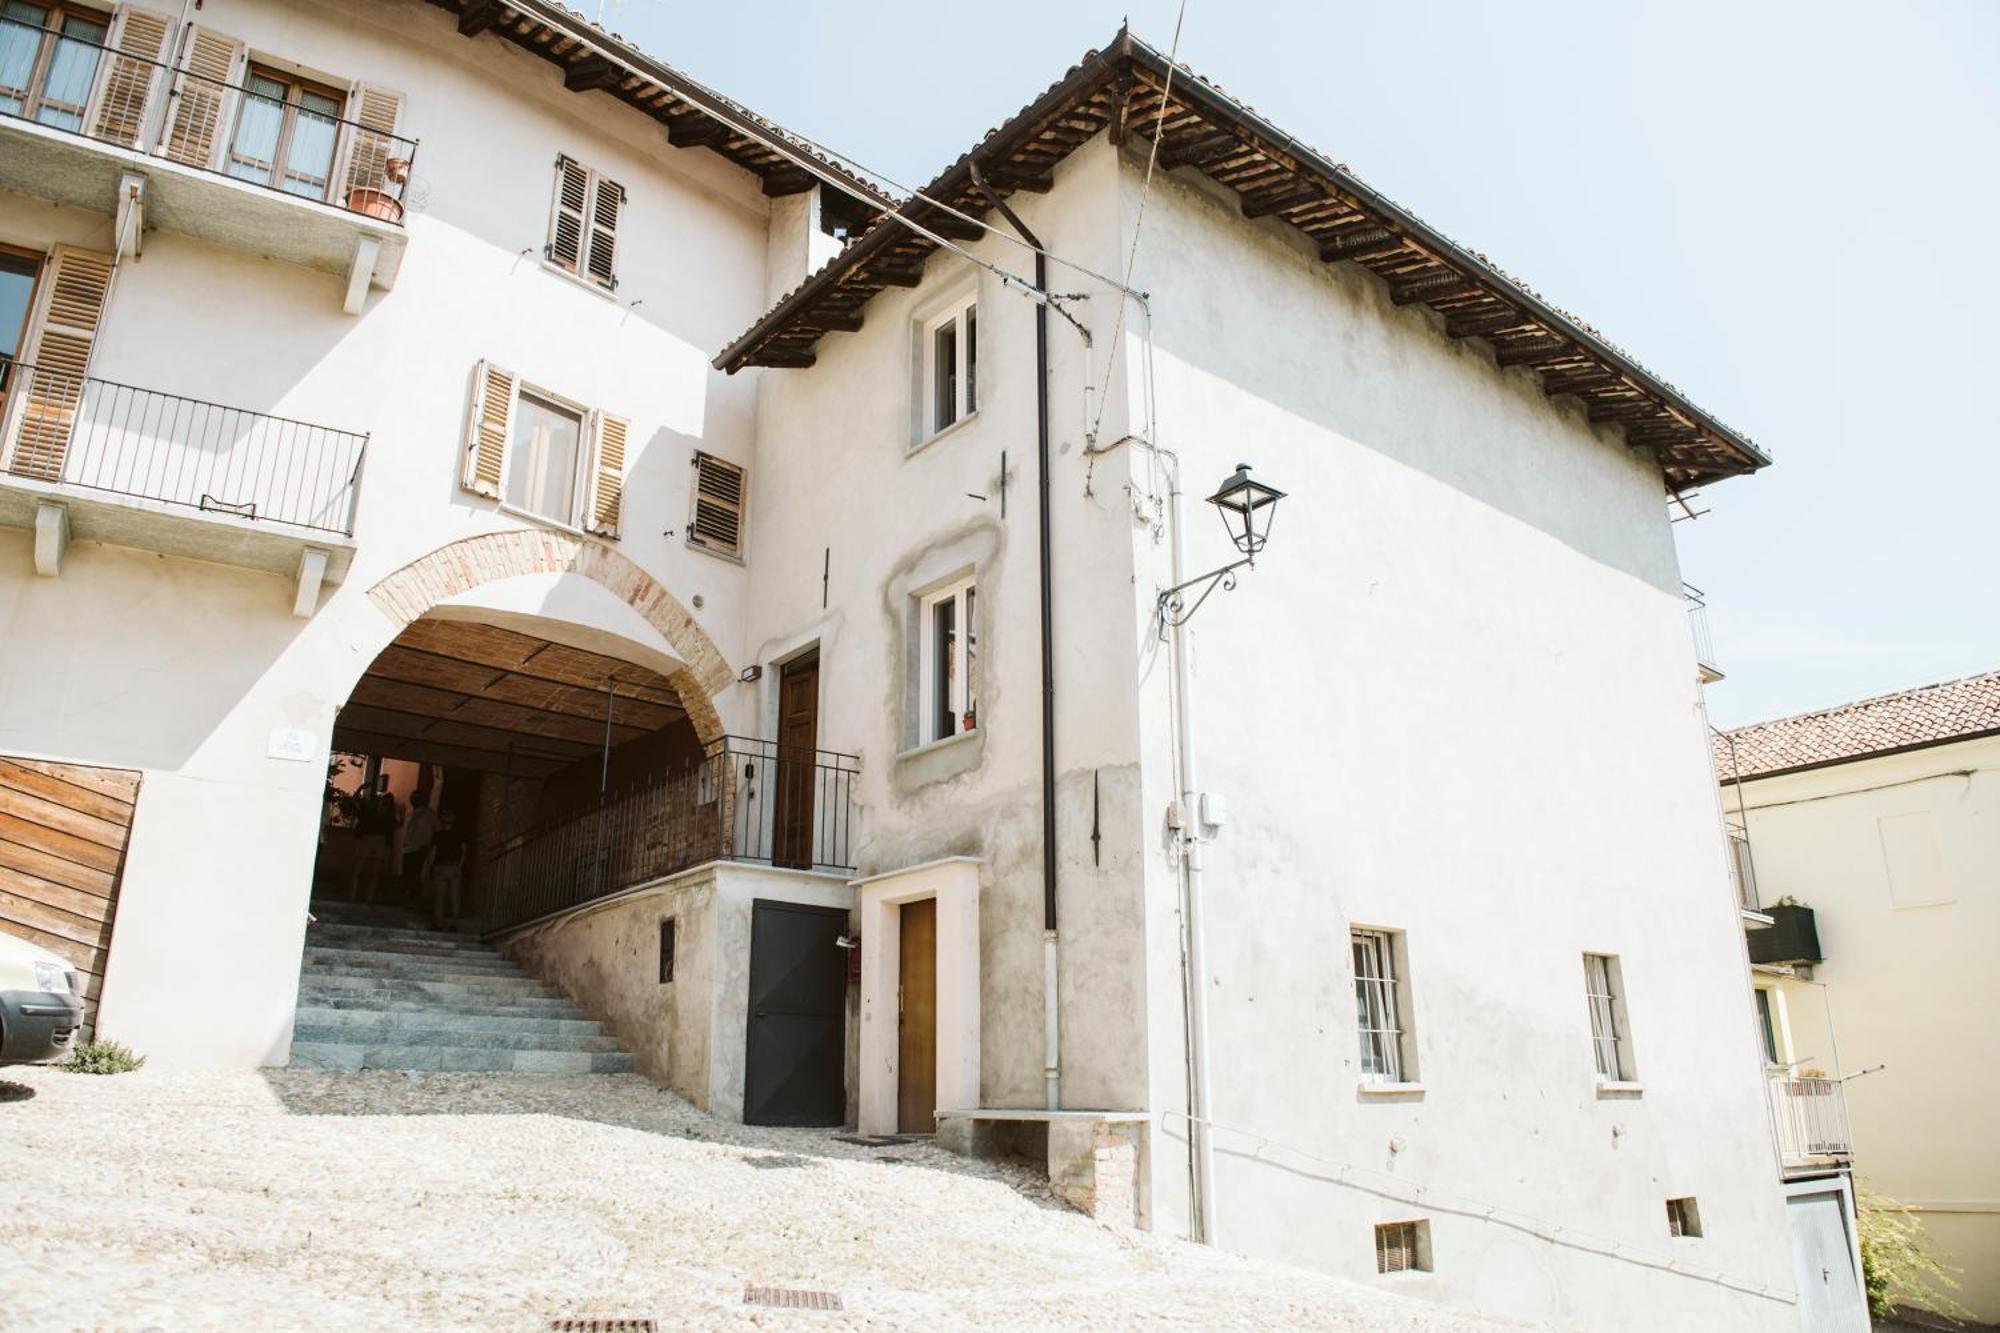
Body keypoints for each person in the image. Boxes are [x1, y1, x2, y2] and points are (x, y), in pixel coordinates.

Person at [350, 775, 400, 904]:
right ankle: (360, 898)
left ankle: (360, 898)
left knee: (369, 873)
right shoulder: (374, 812)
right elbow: (356, 801)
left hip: (375, 841)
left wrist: (361, 788)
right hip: (376, 841)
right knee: (366, 872)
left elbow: (355, 801)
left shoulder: (382, 815)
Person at [427, 810, 468, 930]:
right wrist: (460, 866)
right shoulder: (458, 834)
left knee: (442, 896)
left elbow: (433, 853)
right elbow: (464, 851)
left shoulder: (438, 835)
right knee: (453, 895)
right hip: (451, 866)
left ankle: (441, 923)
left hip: (443, 866)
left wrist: (429, 866)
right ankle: (451, 923)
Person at [401, 789, 440, 900]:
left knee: (418, 874)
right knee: (408, 875)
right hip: (407, 849)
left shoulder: (430, 814)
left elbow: (437, 831)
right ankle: (409, 896)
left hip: (421, 848)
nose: (414, 799)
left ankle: (418, 897)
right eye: (412, 797)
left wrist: (429, 845)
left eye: (417, 797)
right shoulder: (409, 814)